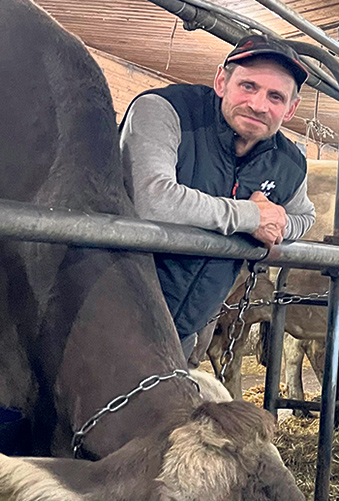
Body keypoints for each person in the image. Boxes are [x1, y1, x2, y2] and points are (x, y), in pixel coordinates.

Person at [120, 35, 317, 358]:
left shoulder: (288, 162)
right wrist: (251, 217)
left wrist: (277, 222)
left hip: (185, 331)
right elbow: (152, 199)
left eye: (275, 97)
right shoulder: (166, 111)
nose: (258, 104)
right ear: (221, 81)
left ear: (291, 109)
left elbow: (304, 217)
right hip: (109, 314)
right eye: (248, 86)